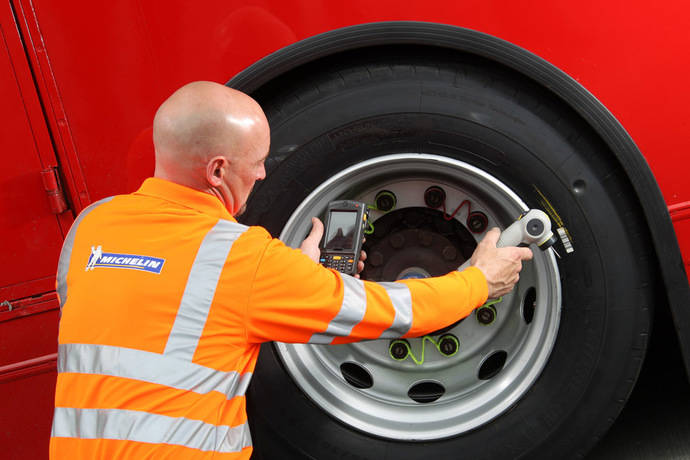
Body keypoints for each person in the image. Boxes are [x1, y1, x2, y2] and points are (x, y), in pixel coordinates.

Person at [49, 81, 533, 459]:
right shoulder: (243, 258)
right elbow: (394, 310)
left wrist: (290, 281)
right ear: (217, 172)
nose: (262, 175)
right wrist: (479, 279)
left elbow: (146, 312)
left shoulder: (90, 228)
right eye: (257, 163)